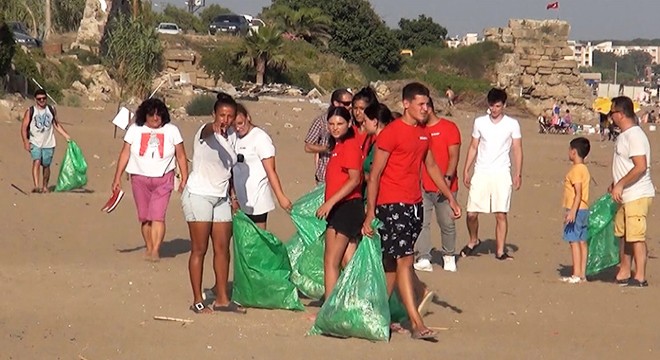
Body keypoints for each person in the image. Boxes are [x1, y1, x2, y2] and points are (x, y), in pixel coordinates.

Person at [362, 82, 461, 340]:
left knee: (392, 265)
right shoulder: (392, 133)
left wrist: (450, 197)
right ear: (406, 104)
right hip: (392, 204)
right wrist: (371, 212)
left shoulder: (423, 134)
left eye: (427, 104)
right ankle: (416, 324)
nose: (425, 109)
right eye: (420, 104)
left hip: (414, 204)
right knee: (405, 260)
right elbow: (374, 175)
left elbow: (432, 168)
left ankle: (375, 317)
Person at [183, 93, 245, 314]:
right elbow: (210, 130)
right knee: (200, 248)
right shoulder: (206, 131)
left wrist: (234, 197)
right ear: (214, 115)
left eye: (229, 116)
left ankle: (222, 298)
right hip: (199, 195)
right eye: (222, 115)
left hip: (221, 197)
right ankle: (197, 299)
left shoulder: (233, 137)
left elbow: (228, 171)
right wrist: (214, 126)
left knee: (222, 249)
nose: (225, 120)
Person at [112, 98, 188, 262]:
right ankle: (148, 246)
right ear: (144, 115)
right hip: (139, 178)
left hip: (164, 178)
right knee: (145, 217)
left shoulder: (172, 130)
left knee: (158, 216)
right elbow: (125, 153)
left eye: (159, 115)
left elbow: (181, 155)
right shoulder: (134, 130)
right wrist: (117, 177)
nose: (155, 118)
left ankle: (155, 250)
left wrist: (184, 178)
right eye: (151, 114)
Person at [460, 88, 523, 261]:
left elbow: (517, 149)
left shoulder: (512, 124)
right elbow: (474, 146)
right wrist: (466, 169)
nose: (494, 109)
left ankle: (500, 250)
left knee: (500, 213)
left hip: (502, 172)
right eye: (492, 106)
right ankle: (473, 240)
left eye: (498, 106)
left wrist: (518, 173)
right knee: (471, 213)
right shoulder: (480, 122)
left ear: (504, 105)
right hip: (481, 170)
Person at [316, 106, 364, 300]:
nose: (335, 128)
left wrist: (329, 203)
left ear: (349, 124)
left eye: (340, 124)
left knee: (331, 261)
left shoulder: (350, 145)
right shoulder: (337, 146)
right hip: (337, 208)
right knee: (347, 260)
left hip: (347, 207)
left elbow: (354, 179)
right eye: (332, 124)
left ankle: (329, 308)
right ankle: (350, 301)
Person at [609, 96, 655, 288]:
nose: (610, 117)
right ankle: (625, 270)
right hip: (623, 194)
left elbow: (640, 166)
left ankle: (640, 277)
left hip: (637, 193)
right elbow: (624, 163)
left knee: (636, 236)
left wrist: (620, 184)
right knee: (623, 234)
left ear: (620, 114)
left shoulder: (635, 135)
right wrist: (615, 184)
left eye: (612, 113)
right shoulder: (624, 135)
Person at [414, 98, 462, 272]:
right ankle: (424, 256)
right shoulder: (419, 130)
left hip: (446, 185)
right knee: (422, 223)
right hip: (422, 185)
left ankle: (449, 256)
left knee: (447, 222)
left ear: (430, 108)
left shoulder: (449, 128)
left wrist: (448, 178)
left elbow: (454, 156)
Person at [231, 104, 292, 228]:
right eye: (234, 125)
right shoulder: (233, 137)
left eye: (240, 123)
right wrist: (233, 196)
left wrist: (281, 197)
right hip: (241, 198)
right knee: (244, 240)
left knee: (259, 239)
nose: (238, 128)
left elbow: (271, 171)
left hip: (258, 199)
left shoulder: (260, 138)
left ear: (248, 117)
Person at [20, 89, 71, 193]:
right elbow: (24, 127)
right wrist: (25, 141)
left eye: (44, 98)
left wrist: (66, 136)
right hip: (35, 141)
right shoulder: (30, 111)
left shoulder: (51, 109)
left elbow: (56, 124)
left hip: (49, 143)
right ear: (35, 99)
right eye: (39, 99)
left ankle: (45, 186)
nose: (42, 100)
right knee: (37, 161)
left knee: (46, 165)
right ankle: (36, 186)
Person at [304, 88, 353, 184]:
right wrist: (328, 148)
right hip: (325, 177)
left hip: (347, 178)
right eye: (347, 103)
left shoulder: (353, 122)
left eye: (351, 103)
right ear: (336, 103)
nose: (350, 106)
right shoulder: (321, 121)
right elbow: (308, 146)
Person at [561, 137, 591, 284]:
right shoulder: (584, 169)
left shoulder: (576, 170)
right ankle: (582, 274)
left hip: (577, 209)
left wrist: (572, 211)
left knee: (574, 241)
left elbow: (578, 193)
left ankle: (577, 273)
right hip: (584, 209)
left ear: (573, 152)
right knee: (582, 241)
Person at [351, 87, 378, 157]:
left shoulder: (375, 133)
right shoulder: (351, 132)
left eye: (362, 109)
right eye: (355, 108)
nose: (357, 112)